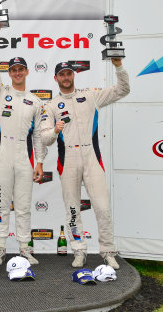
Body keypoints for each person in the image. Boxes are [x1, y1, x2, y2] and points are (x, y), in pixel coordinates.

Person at [41, 59, 130, 269]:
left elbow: (123, 89)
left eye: (68, 73)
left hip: (91, 156)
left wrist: (118, 66)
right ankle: (79, 250)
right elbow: (44, 138)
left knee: (102, 207)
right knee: (73, 209)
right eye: (61, 74)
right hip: (68, 160)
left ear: (74, 75)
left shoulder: (90, 95)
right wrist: (54, 130)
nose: (66, 77)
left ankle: (108, 251)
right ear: (56, 78)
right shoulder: (51, 105)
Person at [0, 24, 46, 265]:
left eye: (21, 69)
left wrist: (40, 161)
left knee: (23, 206)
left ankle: (24, 248)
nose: (17, 73)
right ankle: (0, 247)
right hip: (3, 154)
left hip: (24, 156)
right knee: (1, 203)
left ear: (27, 72)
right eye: (14, 70)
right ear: (9, 73)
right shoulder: (0, 92)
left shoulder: (35, 101)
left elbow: (39, 136)